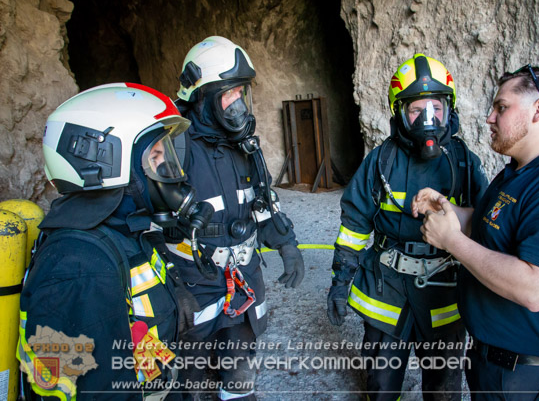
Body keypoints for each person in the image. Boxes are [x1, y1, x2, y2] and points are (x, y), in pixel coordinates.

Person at [413, 65, 539, 400]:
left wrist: (452, 241)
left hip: (527, 377)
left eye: (501, 107)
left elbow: (535, 289)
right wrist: (449, 210)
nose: (489, 117)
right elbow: (492, 226)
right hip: (495, 364)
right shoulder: (520, 172)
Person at [17, 83, 215, 400]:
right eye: (156, 157)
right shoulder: (79, 266)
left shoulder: (124, 230)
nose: (169, 171)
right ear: (109, 161)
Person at [326, 53, 488, 400]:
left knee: (443, 389)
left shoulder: (463, 162)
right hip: (387, 290)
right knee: (382, 387)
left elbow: (486, 224)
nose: (428, 120)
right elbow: (354, 223)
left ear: (449, 110)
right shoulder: (380, 162)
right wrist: (340, 281)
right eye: (416, 110)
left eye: (436, 109)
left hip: (443, 290)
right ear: (400, 113)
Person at [168, 36, 305, 400]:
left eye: (242, 93)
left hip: (241, 285)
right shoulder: (172, 149)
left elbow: (261, 202)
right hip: (194, 286)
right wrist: (168, 289)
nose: (240, 105)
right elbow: (150, 221)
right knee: (190, 385)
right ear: (203, 97)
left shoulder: (244, 147)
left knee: (240, 376)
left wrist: (286, 243)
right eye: (230, 95)